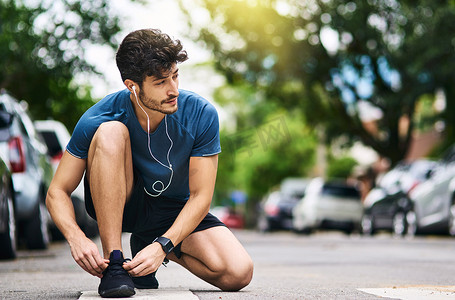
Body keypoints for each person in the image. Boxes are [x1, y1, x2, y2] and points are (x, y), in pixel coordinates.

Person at [46, 28, 254, 298]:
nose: (173, 90)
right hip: (124, 202)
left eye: (175, 76)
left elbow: (201, 197)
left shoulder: (201, 114)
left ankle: (145, 247)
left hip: (173, 210)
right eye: (160, 82)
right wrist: (77, 238)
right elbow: (56, 192)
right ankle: (116, 265)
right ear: (132, 85)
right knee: (111, 131)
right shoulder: (98, 117)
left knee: (238, 273)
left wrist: (162, 246)